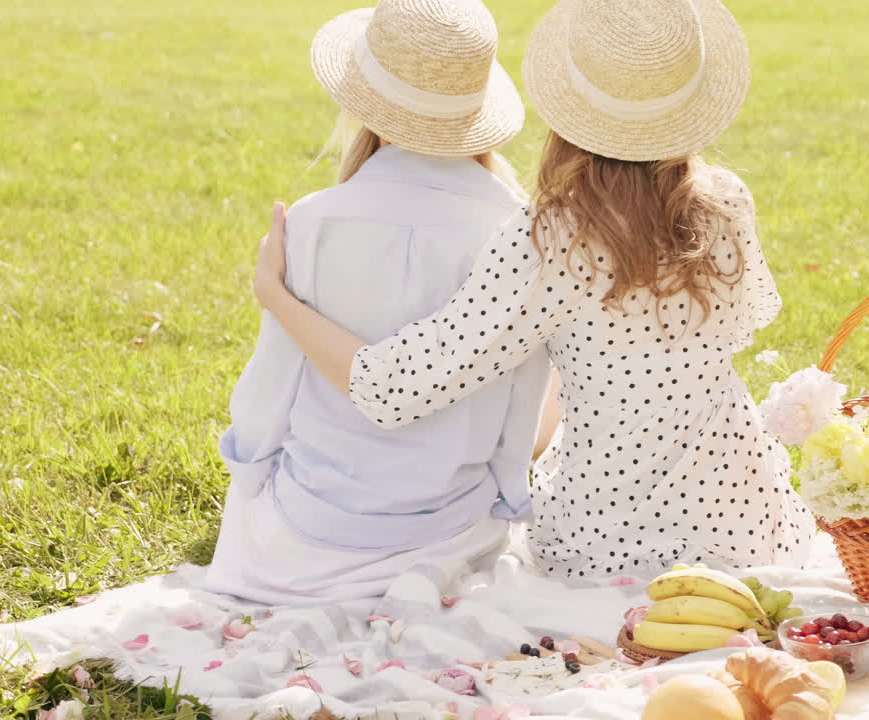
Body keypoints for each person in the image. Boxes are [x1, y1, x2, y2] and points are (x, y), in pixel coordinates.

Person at [253, 0, 816, 580]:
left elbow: (392, 387)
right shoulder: (725, 201)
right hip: (744, 517)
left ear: (566, 105)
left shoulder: (549, 238)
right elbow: (737, 328)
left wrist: (276, 294)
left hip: (605, 537)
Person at [203, 0, 550, 605]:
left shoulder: (312, 221)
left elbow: (272, 388)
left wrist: (250, 476)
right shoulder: (515, 229)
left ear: (364, 104)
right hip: (448, 524)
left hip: (309, 532)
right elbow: (522, 395)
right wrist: (511, 493)